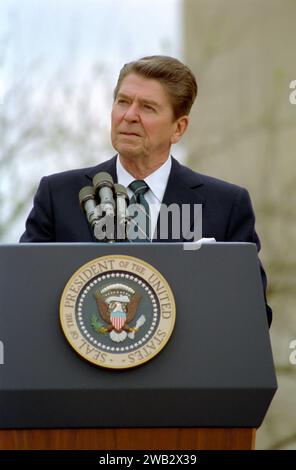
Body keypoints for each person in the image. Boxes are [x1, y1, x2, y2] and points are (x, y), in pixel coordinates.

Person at [20, 55, 272, 325]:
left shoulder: (226, 206)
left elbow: (252, 314)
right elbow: (23, 294)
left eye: (148, 107)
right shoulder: (58, 196)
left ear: (178, 128)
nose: (129, 116)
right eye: (123, 102)